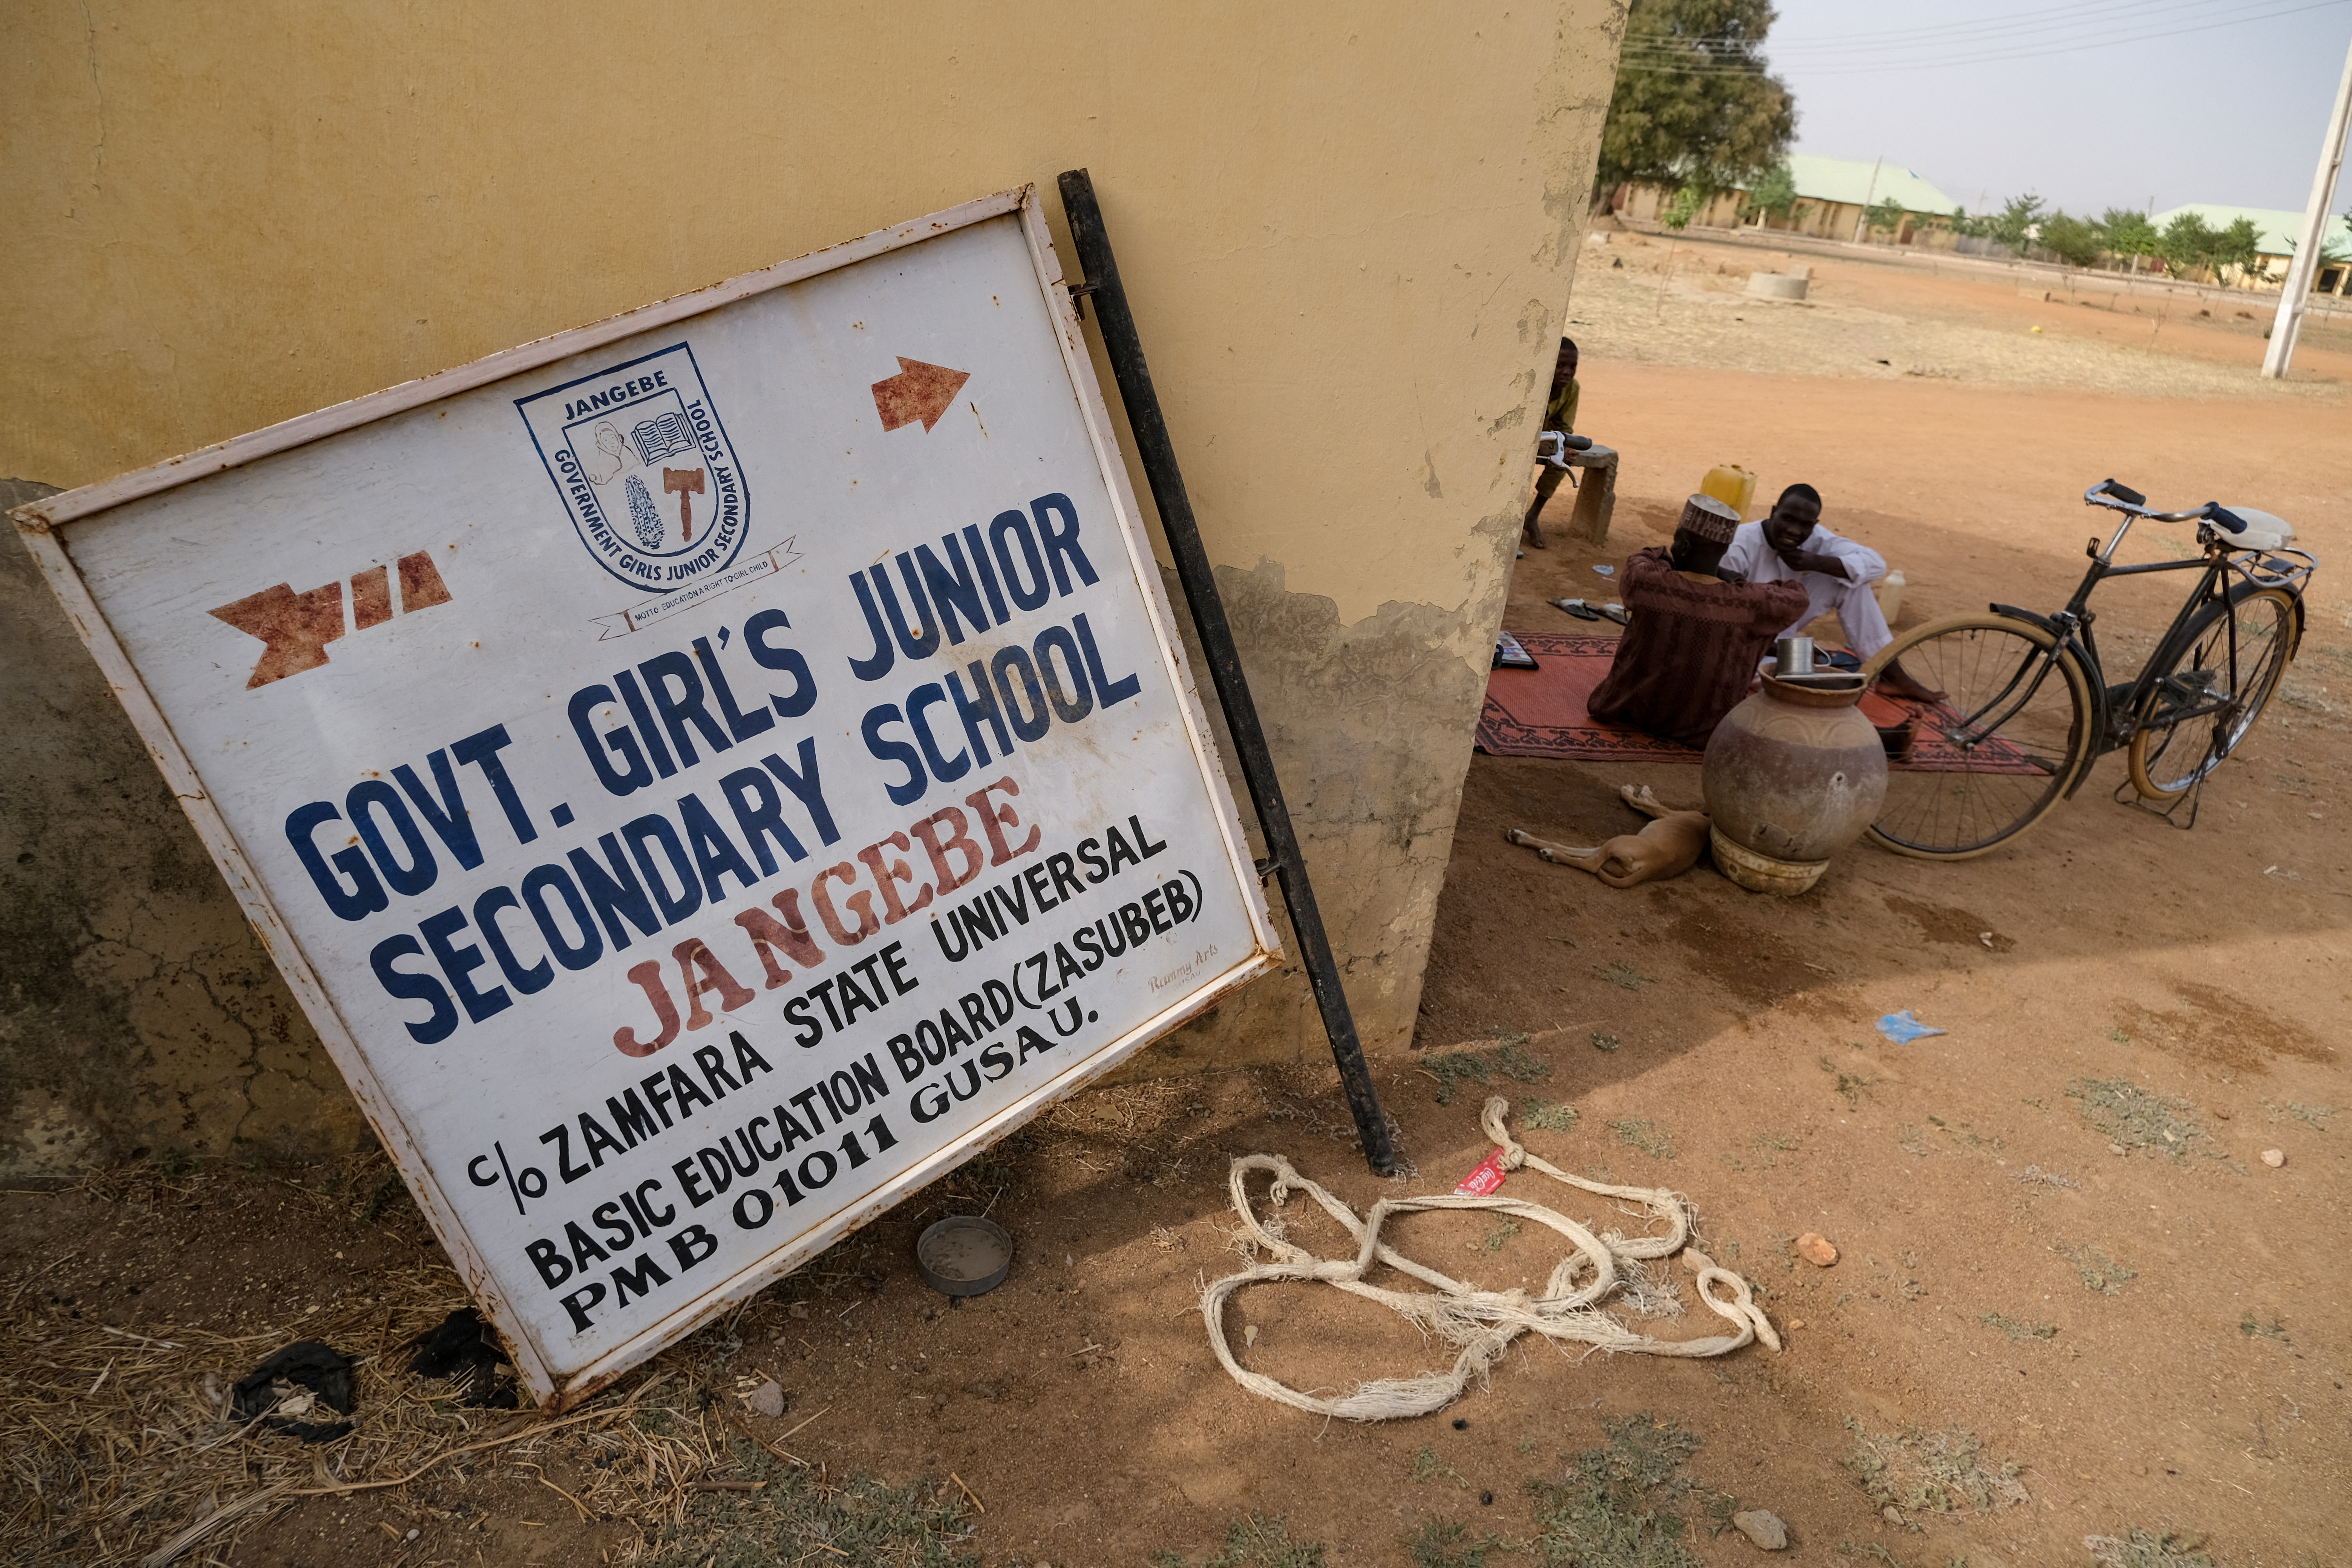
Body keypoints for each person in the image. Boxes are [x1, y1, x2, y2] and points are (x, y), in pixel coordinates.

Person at [1586, 496, 1811, 747]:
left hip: (1634, 713)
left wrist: (1672, 561)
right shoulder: (1748, 603)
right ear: (1725, 551)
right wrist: (1734, 581)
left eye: (1677, 542)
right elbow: (1797, 596)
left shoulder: (1650, 584)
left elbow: (1646, 557)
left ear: (1683, 547)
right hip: (1705, 733)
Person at [1721, 484, 1940, 701]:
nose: (1794, 531)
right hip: (1744, 644)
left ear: (1814, 525)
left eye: (1805, 525)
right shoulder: (1740, 545)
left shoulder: (1816, 540)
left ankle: (1891, 675)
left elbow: (1876, 565)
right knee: (1802, 691)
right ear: (1773, 512)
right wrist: (1788, 652)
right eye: (1787, 519)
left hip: (1784, 628)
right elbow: (1725, 625)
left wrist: (1816, 562)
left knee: (1850, 583)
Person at [1521, 338, 1579, 549]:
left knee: (1564, 459)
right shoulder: (1535, 385)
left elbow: (1564, 429)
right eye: (1560, 365)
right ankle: (1512, 519)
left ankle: (1532, 516)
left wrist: (1564, 447)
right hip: (1521, 441)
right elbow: (1522, 430)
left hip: (1546, 439)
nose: (1567, 372)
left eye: (1573, 367)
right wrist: (1545, 443)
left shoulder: (1572, 389)